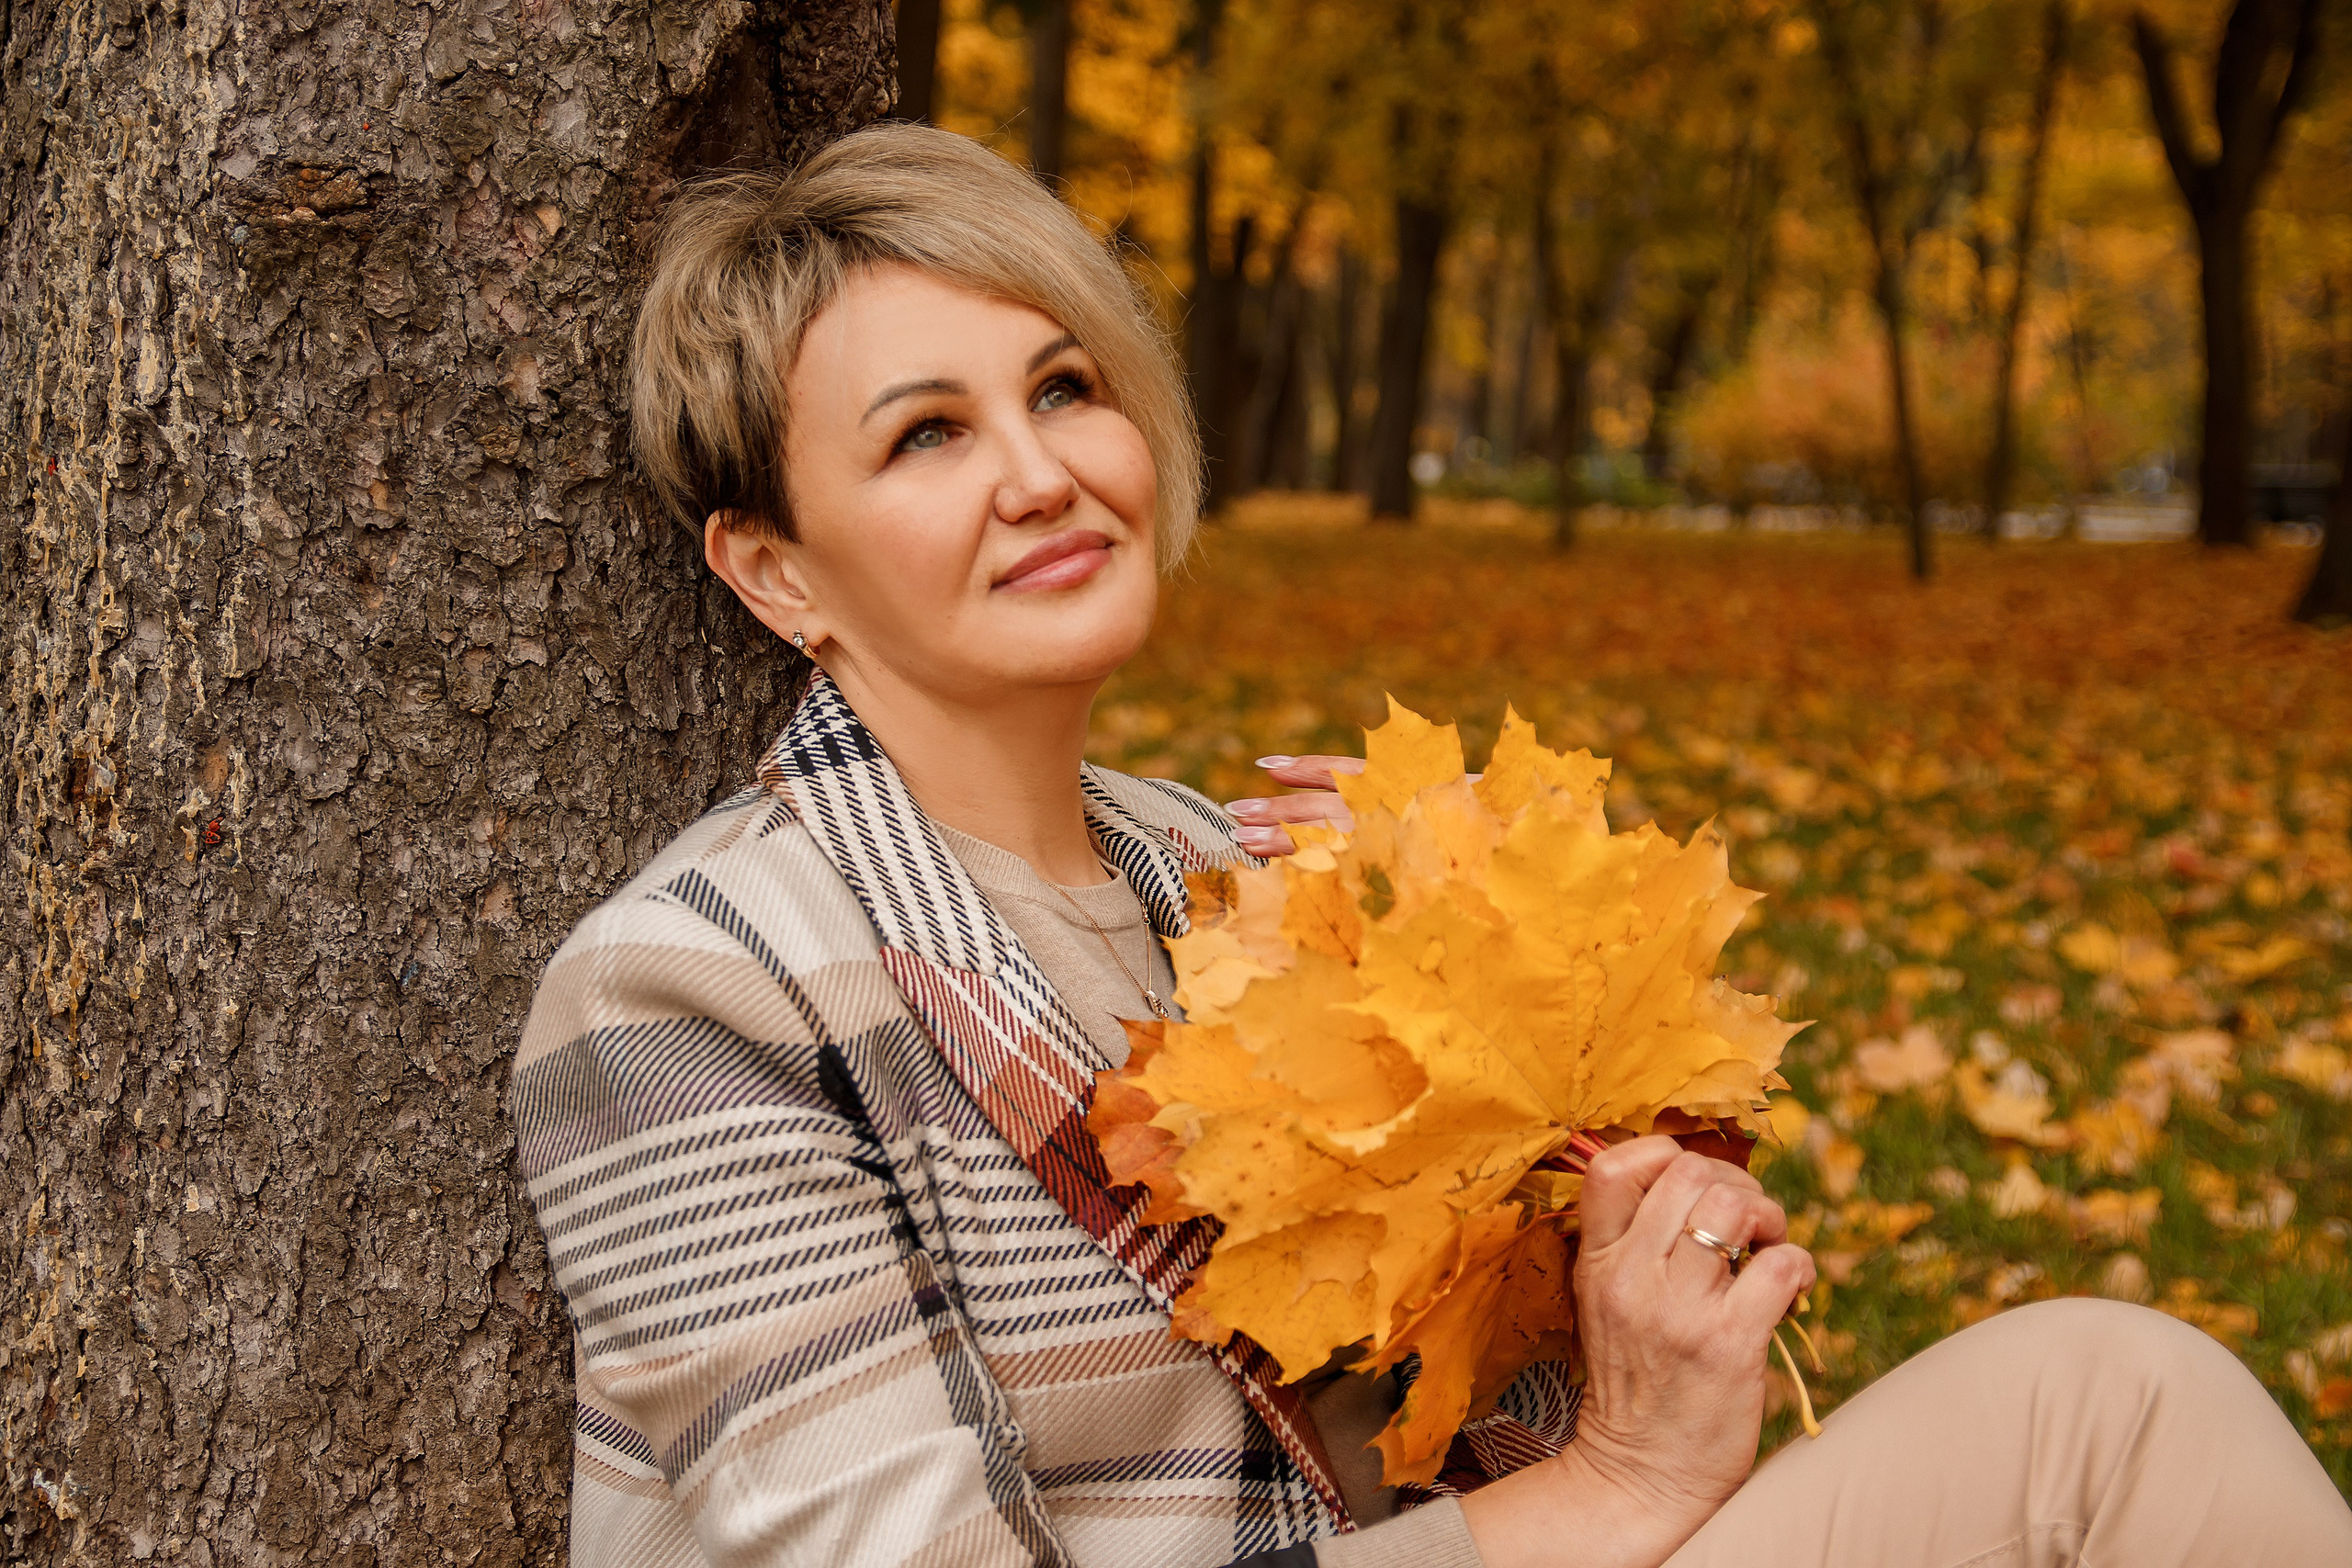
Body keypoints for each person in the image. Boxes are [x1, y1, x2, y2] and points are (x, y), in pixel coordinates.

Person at [506, 122, 2352, 1568]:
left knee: (2111, 1402)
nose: (1041, 469)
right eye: (926, 435)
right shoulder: (685, 990)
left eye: (1063, 385)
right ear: (775, 568)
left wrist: (1597, 1171)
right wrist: (1611, 1484)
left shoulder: (1226, 874)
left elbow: (1456, 1387)